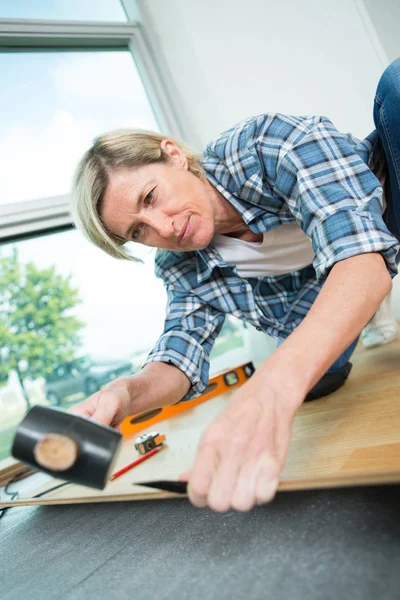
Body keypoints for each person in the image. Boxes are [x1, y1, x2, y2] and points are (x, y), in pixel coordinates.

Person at [71, 58, 400, 512]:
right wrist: (126, 393)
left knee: (396, 84)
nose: (162, 229)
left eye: (150, 198)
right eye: (138, 232)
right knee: (315, 381)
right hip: (315, 299)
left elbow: (361, 260)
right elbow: (178, 357)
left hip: (387, 208)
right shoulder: (180, 266)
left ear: (173, 154)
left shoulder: (265, 144)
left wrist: (269, 390)